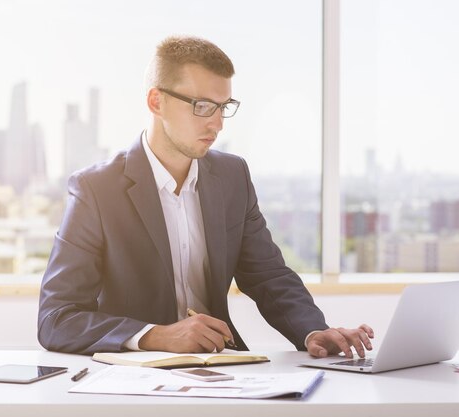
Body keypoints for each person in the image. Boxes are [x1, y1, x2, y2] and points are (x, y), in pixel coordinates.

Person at [38, 35, 374, 358]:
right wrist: (155, 335)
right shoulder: (96, 189)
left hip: (223, 368)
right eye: (202, 106)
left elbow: (269, 276)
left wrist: (314, 331)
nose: (217, 125)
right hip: (134, 376)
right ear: (156, 101)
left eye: (223, 107)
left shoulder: (232, 177)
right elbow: (56, 318)